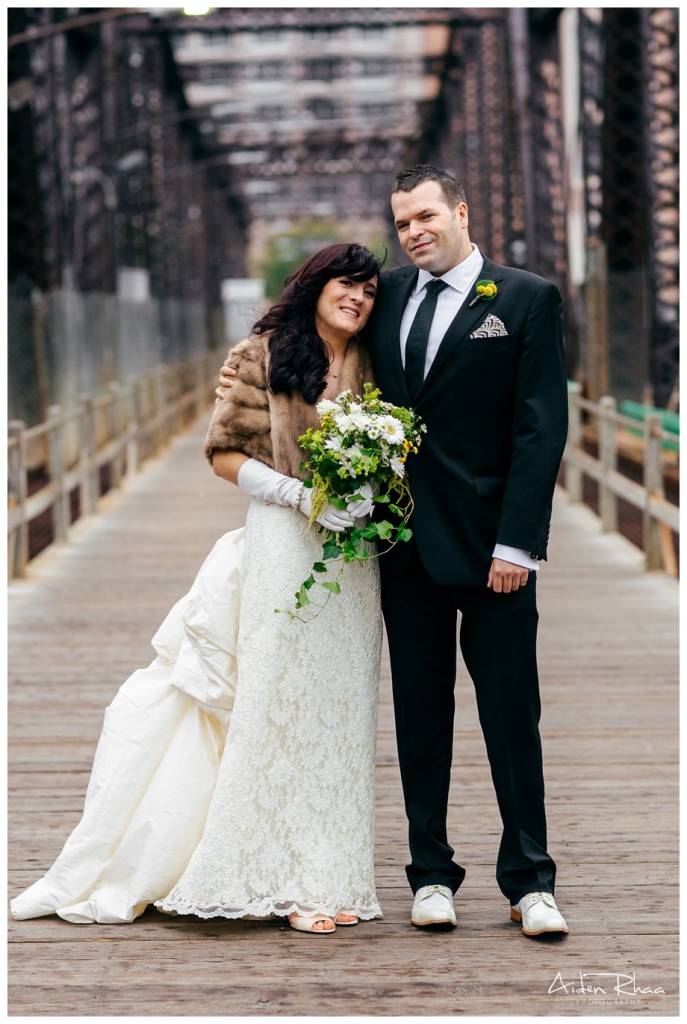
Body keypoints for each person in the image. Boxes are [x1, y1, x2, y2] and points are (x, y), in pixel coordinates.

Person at [218, 166, 570, 938]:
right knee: (420, 713)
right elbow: (316, 354)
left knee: (512, 714)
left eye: (424, 216)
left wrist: (519, 541)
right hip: (400, 546)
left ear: (460, 212)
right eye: (401, 222)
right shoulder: (387, 301)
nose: (413, 232)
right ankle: (431, 874)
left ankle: (531, 881)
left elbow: (539, 430)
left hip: (492, 550)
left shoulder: (523, 299)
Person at [11, 242, 384, 935]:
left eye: (368, 290)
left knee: (338, 712)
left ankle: (328, 873)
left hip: (350, 559)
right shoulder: (263, 353)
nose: (357, 298)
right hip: (282, 541)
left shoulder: (375, 360)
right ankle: (277, 877)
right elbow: (222, 453)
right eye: (346, 284)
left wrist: (369, 491)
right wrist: (298, 496)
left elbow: (399, 439)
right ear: (317, 284)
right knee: (275, 705)